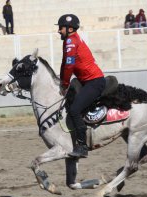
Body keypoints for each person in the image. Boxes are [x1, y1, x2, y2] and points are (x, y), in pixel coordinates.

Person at [56, 14, 106, 158]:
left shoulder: (71, 41)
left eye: (61, 28)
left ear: (70, 28)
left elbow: (69, 65)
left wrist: (64, 84)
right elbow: (64, 63)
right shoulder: (69, 40)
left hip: (94, 82)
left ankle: (82, 147)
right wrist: (61, 82)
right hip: (88, 81)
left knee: (74, 110)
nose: (59, 31)